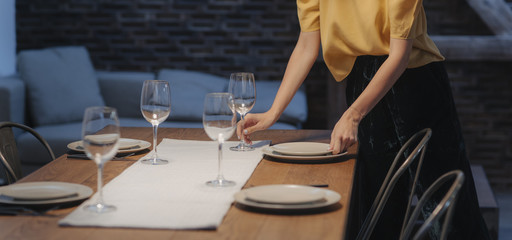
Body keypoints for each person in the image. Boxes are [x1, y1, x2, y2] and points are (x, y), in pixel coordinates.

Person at [236, 0, 491, 239]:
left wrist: (353, 114)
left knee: (448, 207)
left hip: (416, 85)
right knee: (376, 205)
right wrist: (273, 112)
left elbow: (399, 55)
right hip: (363, 83)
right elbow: (306, 46)